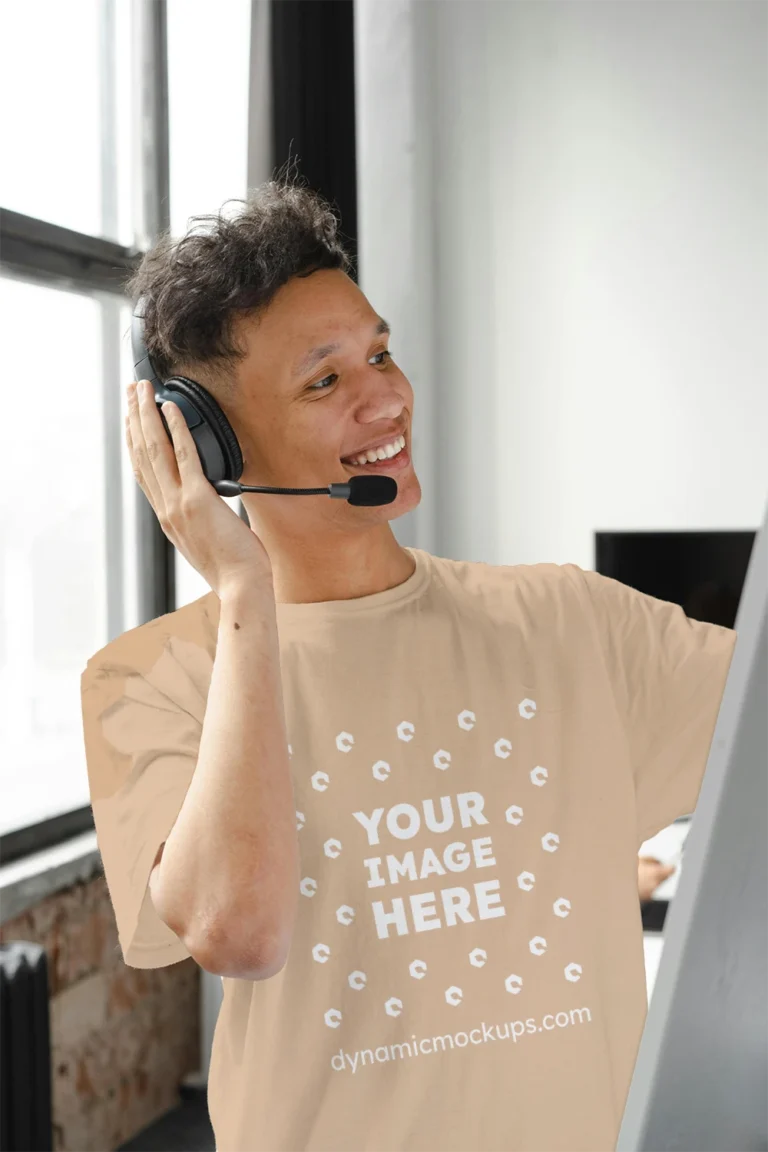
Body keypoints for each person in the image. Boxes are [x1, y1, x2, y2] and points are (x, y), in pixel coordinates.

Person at [80, 172, 737, 1152]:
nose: (385, 395)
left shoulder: (571, 622)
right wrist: (244, 594)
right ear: (210, 447)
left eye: (379, 351)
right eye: (325, 379)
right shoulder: (150, 683)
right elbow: (239, 929)